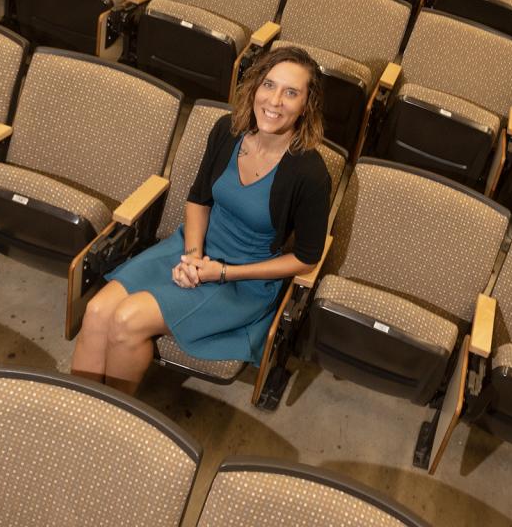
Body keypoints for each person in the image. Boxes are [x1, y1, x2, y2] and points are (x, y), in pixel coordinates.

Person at [70, 47, 331, 394]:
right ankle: (76, 414)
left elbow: (306, 257)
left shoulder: (310, 173)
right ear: (255, 87)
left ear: (306, 105)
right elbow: (198, 200)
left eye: (291, 92)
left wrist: (222, 272)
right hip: (192, 247)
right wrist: (193, 257)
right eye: (269, 85)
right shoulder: (228, 130)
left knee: (125, 320)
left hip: (241, 279)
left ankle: (112, 423)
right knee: (98, 310)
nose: (275, 100)